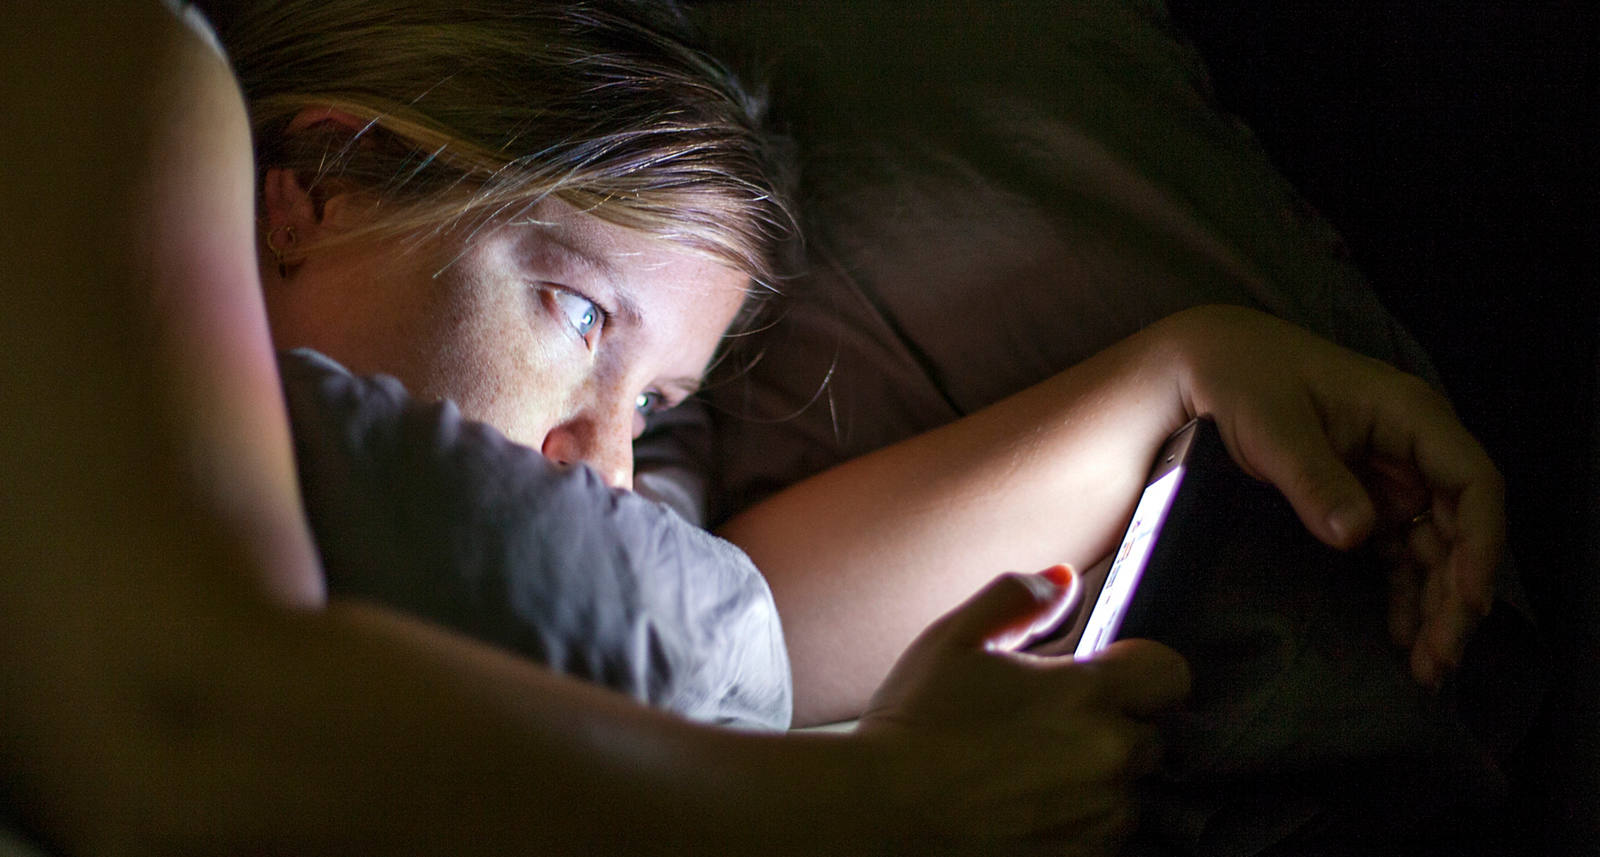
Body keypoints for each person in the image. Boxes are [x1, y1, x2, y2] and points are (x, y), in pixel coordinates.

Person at [0, 2, 1501, 855]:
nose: (603, 461)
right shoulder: (101, 56)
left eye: (660, 409)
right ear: (318, 186)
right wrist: (870, 806)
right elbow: (172, 709)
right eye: (578, 313)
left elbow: (743, 627)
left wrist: (1182, 374)